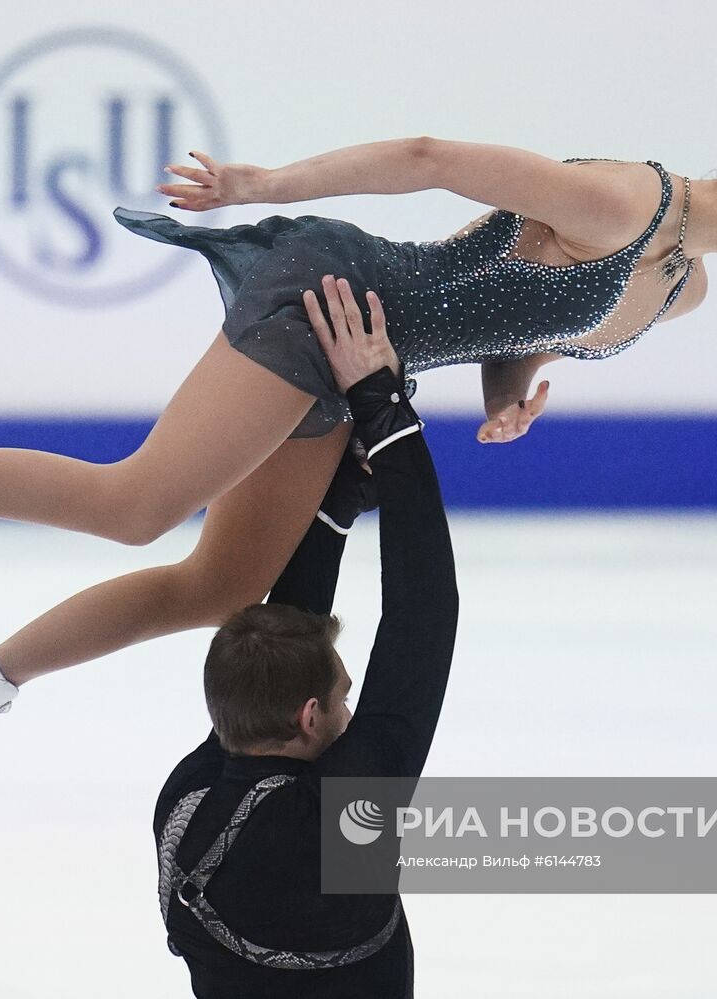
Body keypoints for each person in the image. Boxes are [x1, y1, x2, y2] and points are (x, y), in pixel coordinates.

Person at [0, 102, 717, 820]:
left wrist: (509, 387)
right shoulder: (630, 198)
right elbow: (436, 160)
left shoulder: (683, 288)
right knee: (138, 504)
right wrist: (262, 186)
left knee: (220, 589)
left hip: (361, 359)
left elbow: (523, 304)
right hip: (336, 295)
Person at [155, 269, 457, 997]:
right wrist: (385, 413)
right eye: (342, 697)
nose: (352, 709)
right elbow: (424, 615)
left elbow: (282, 642)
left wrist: (339, 505)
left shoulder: (187, 801)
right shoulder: (338, 827)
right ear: (308, 715)